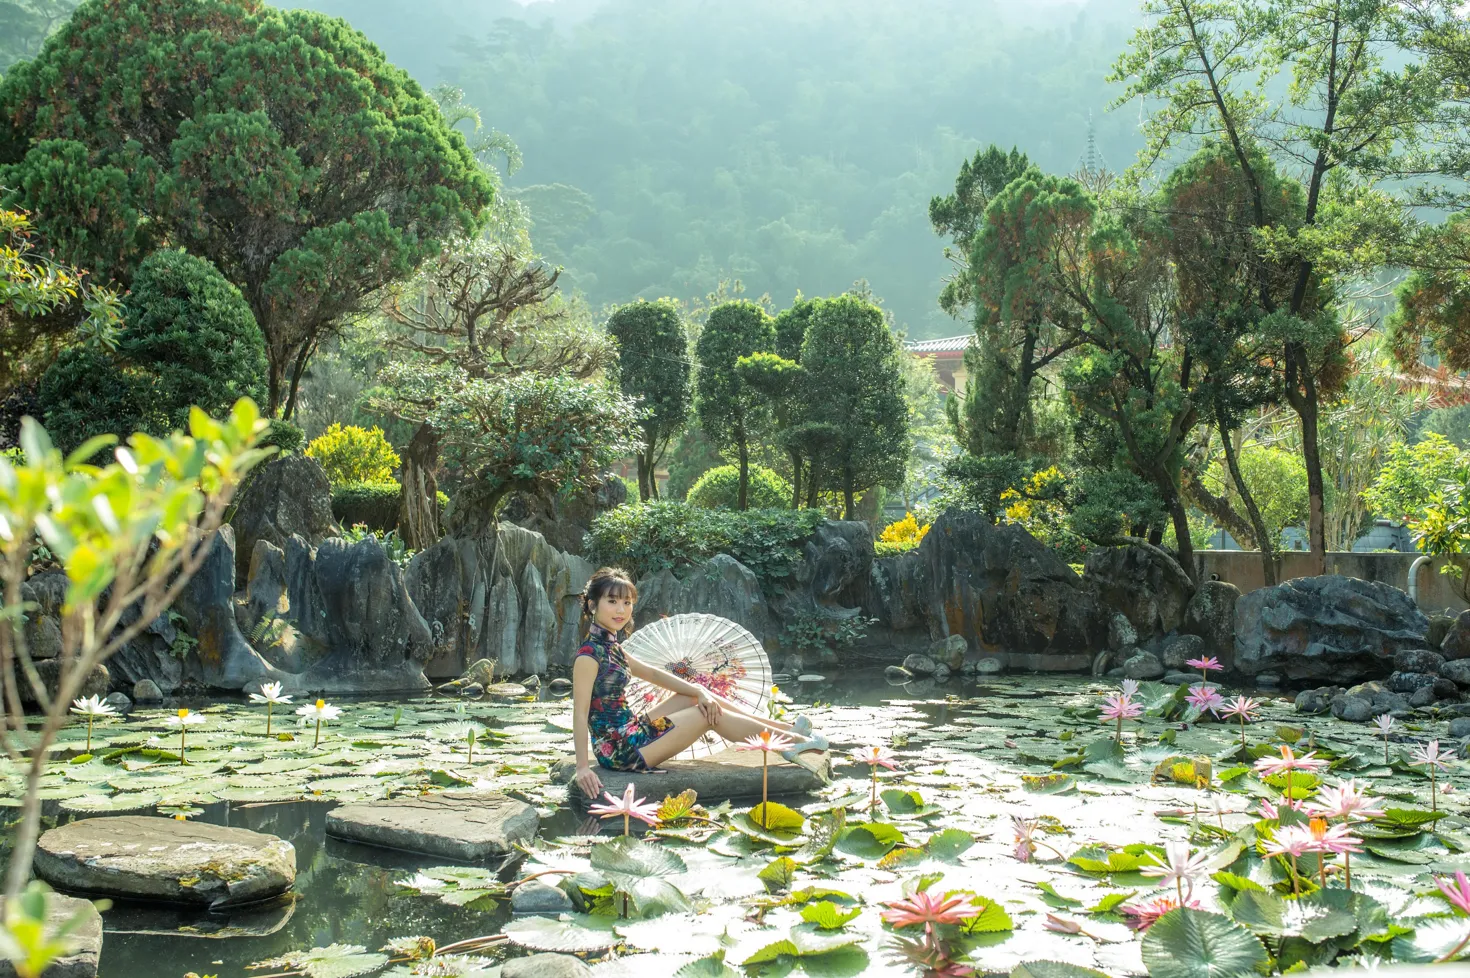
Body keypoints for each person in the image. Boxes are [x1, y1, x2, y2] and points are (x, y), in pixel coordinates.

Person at [572, 566, 827, 798]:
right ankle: (792, 743)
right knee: (705, 715)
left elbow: (653, 674)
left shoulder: (611, 647)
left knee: (697, 696)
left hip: (632, 731)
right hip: (620, 750)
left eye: (627, 602)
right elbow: (580, 712)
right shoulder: (588, 655)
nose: (621, 610)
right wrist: (582, 768)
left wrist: (699, 689)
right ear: (593, 605)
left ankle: (785, 728)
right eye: (612, 601)